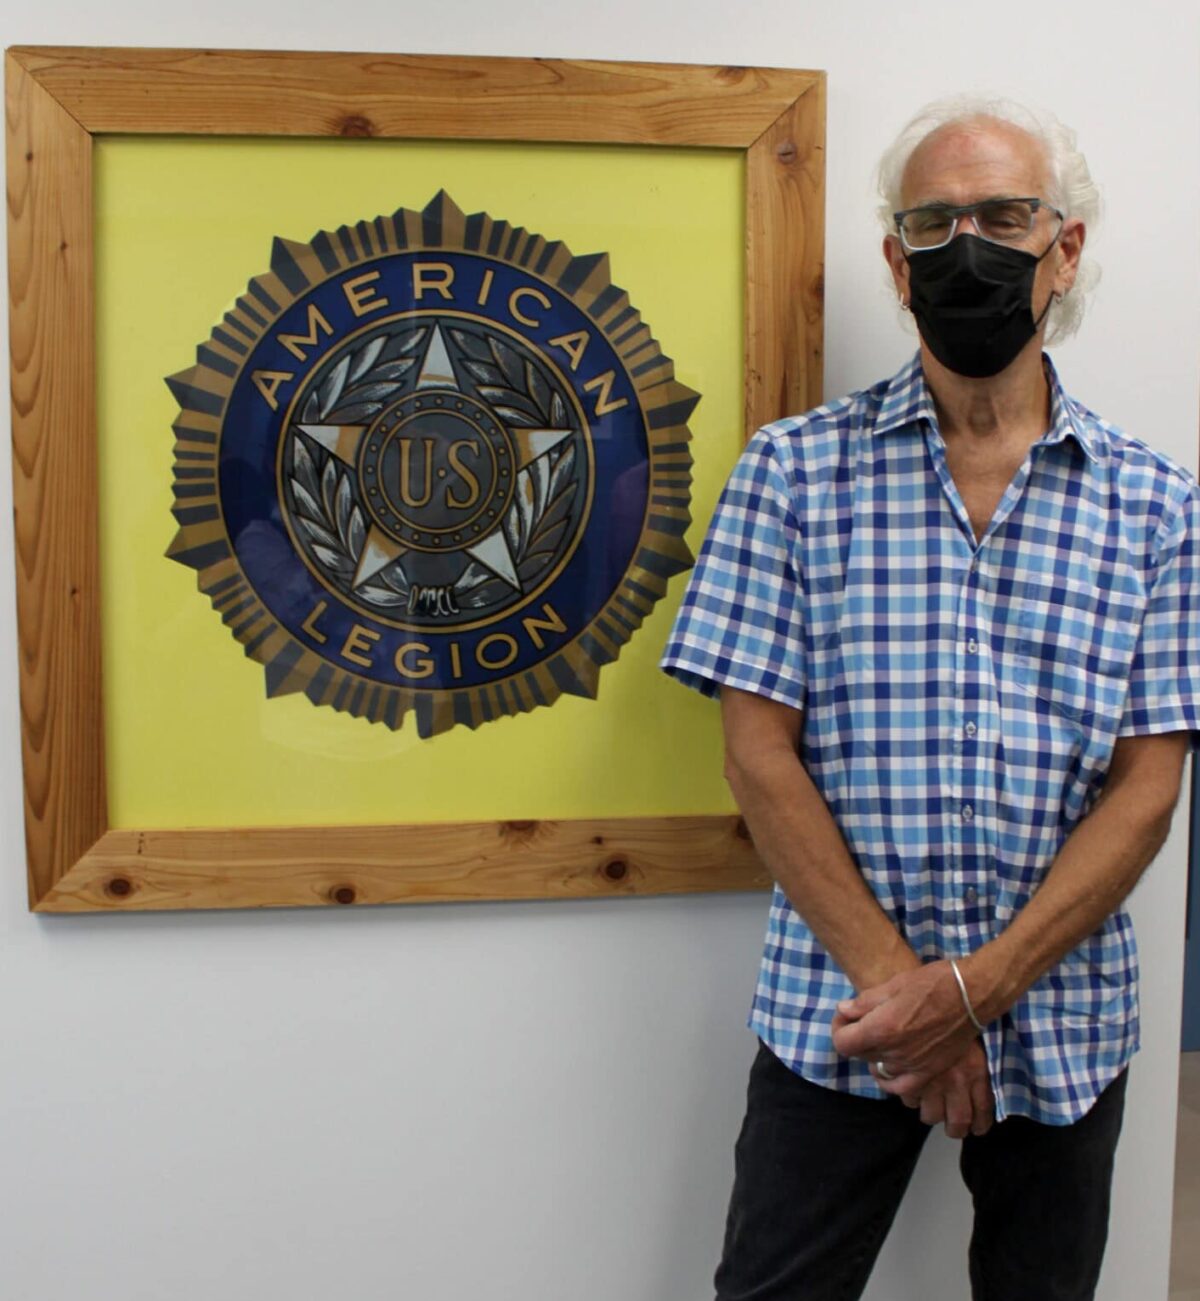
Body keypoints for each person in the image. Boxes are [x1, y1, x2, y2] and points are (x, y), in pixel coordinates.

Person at [661, 94, 1200, 1301]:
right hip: (840, 1011)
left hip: (1062, 1019)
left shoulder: (1160, 507)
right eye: (935, 221)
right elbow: (758, 757)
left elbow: (1150, 786)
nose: (970, 244)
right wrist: (914, 1001)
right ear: (898, 267)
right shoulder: (793, 474)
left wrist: (977, 987)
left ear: (1064, 249)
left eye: (1004, 213)